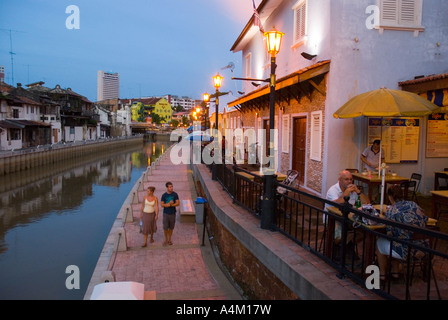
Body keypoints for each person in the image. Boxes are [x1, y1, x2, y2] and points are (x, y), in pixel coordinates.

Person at [376, 185, 428, 281]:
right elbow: (425, 219)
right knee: (397, 239)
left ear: (390, 197)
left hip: (405, 251)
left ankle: (382, 274)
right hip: (423, 248)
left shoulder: (391, 211)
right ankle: (395, 272)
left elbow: (389, 234)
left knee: (381, 241)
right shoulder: (414, 205)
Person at [325, 170, 369, 243]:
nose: (349, 181)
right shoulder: (333, 190)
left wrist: (358, 191)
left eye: (351, 179)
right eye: (346, 179)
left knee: (366, 232)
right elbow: (338, 204)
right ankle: (337, 249)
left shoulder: (353, 190)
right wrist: (347, 191)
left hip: (349, 218)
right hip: (333, 219)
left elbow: (366, 202)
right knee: (339, 236)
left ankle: (348, 245)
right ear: (340, 180)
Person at [161, 181, 179, 246]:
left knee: (171, 227)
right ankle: (166, 239)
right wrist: (168, 204)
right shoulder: (164, 195)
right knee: (165, 227)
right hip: (166, 213)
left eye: (172, 186)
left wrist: (172, 204)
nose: (171, 188)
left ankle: (169, 239)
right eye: (170, 187)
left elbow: (178, 203)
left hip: (172, 213)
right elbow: (162, 204)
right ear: (167, 188)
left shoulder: (175, 194)